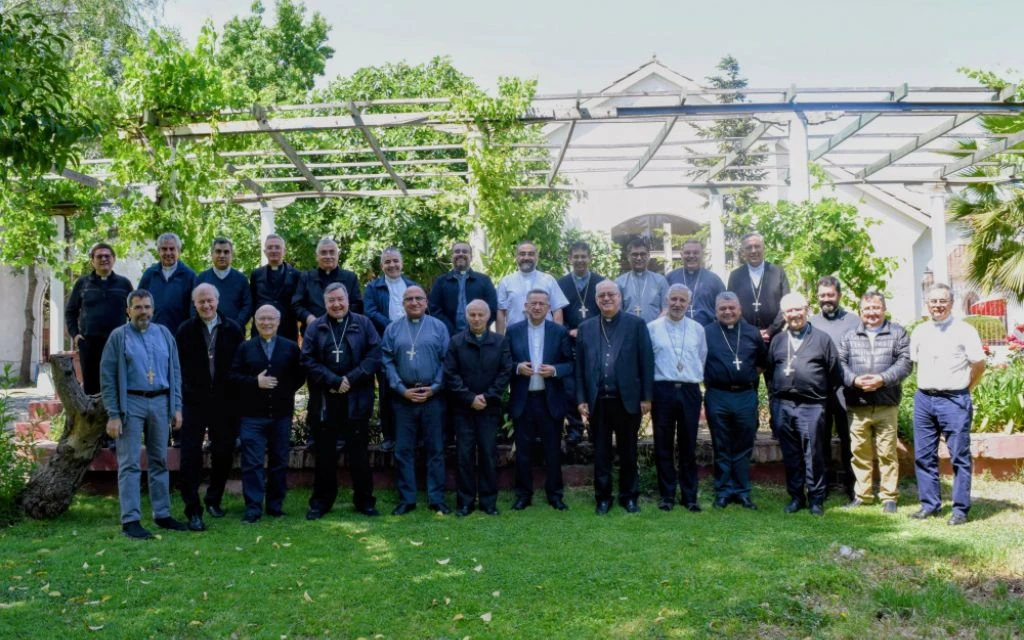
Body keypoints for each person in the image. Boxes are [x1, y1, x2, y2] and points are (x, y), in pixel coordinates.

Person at [99, 289, 187, 539]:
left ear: (153, 308)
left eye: (147, 307)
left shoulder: (164, 334)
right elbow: (108, 378)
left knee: (159, 459)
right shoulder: (119, 337)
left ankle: (162, 514)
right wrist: (113, 414)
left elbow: (175, 372)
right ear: (128, 311)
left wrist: (176, 406)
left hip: (160, 402)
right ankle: (131, 520)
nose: (143, 312)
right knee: (130, 463)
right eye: (137, 307)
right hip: (131, 403)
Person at [301, 283, 382, 520]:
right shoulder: (316, 327)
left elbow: (375, 355)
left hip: (357, 398)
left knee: (359, 454)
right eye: (331, 301)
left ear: (347, 300)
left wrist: (351, 378)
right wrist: (334, 380)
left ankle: (364, 501)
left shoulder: (364, 323)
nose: (336, 304)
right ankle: (321, 502)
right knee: (324, 454)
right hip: (327, 400)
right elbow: (306, 360)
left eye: (340, 299)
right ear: (324, 303)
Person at [909, 283, 986, 526]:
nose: (938, 306)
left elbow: (979, 364)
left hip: (954, 399)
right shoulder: (920, 331)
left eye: (943, 301)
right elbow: (915, 363)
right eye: (933, 301)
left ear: (951, 304)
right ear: (927, 304)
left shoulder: (965, 330)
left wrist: (966, 388)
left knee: (959, 456)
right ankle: (930, 505)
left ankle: (960, 509)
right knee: (923, 455)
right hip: (924, 399)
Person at [575, 280, 654, 514]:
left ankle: (629, 497)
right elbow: (579, 367)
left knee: (628, 451)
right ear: (596, 300)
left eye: (611, 294)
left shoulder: (636, 325)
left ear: (620, 297)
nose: (606, 299)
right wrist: (581, 399)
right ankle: (603, 498)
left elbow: (646, 363)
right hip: (598, 401)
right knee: (601, 453)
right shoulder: (586, 327)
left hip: (627, 400)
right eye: (602, 296)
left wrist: (646, 397)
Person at [174, 283, 245, 530]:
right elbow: (177, 366)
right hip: (193, 400)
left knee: (223, 453)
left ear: (217, 301)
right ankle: (193, 509)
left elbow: (240, 365)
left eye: (210, 301)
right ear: (195, 304)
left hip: (224, 402)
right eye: (201, 302)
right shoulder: (185, 330)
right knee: (190, 455)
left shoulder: (233, 329)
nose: (206, 305)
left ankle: (214, 499)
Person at [768, 292, 842, 516]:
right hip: (784, 405)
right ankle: (796, 497)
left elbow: (834, 374)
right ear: (784, 315)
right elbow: (771, 373)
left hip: (812, 406)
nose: (794, 314)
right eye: (789, 311)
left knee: (814, 454)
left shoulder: (822, 339)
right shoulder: (778, 340)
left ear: (807, 310)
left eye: (798, 309)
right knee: (791, 454)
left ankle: (816, 498)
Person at [838, 291, 912, 513]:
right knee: (859, 452)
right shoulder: (849, 335)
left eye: (876, 308)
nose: (872, 312)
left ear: (884, 309)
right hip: (857, 404)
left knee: (887, 452)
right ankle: (863, 495)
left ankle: (889, 497)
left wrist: (882, 379)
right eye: (867, 308)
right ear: (861, 312)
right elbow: (840, 363)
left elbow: (905, 363)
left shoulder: (898, 333)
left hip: (886, 403)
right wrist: (854, 380)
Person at [231, 305, 304, 523]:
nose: (266, 322)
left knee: (279, 460)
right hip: (252, 415)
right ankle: (253, 508)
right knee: (252, 463)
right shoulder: (245, 348)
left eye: (271, 318)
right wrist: (255, 382)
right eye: (261, 319)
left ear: (278, 322)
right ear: (255, 322)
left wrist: (284, 390)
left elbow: (300, 375)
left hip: (281, 414)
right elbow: (233, 376)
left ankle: (274, 506)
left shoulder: (290, 348)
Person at [381, 286, 451, 515]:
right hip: (404, 398)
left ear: (426, 301)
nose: (414, 302)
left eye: (418, 298)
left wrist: (435, 387)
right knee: (403, 450)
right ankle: (407, 498)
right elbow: (387, 361)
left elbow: (446, 361)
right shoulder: (393, 329)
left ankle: (436, 497)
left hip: (433, 397)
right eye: (409, 299)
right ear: (403, 303)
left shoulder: (438, 327)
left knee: (435, 449)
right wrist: (401, 389)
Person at [444, 299, 514, 516]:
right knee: (464, 456)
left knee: (487, 455)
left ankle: (488, 501)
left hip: (489, 408)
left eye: (480, 315)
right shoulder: (456, 342)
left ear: (488, 317)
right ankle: (465, 502)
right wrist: (469, 398)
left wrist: (487, 396)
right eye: (472, 315)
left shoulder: (499, 342)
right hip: (463, 409)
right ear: (467, 317)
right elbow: (450, 374)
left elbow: (505, 372)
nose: (476, 319)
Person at [507, 290, 574, 511]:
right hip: (523, 399)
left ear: (548, 308)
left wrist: (554, 370)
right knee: (523, 451)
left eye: (542, 304)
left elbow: (570, 364)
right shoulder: (512, 331)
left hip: (549, 399)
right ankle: (523, 495)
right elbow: (504, 362)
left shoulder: (559, 332)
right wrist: (517, 368)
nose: (537, 307)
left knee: (552, 450)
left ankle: (555, 495)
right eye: (533, 303)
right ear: (525, 306)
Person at [703, 292, 768, 509]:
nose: (727, 312)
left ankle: (742, 491)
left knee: (743, 445)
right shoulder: (707, 333)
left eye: (731, 308)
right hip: (717, 395)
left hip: (745, 395)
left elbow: (761, 363)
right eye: (722, 308)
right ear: (716, 311)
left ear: (739, 309)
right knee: (721, 445)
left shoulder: (751, 333)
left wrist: (743, 378)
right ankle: (722, 491)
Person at [647, 284, 707, 512]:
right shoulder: (652, 328)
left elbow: (702, 356)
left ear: (688, 304)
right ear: (666, 300)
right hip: (662, 389)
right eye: (674, 299)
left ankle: (690, 496)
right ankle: (667, 496)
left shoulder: (697, 329)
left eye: (682, 300)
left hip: (690, 390)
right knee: (663, 444)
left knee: (688, 445)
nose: (677, 304)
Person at [808, 276, 862, 500]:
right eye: (822, 296)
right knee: (820, 440)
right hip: (819, 390)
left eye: (830, 295)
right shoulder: (811, 322)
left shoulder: (854, 320)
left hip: (846, 391)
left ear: (838, 295)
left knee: (849, 439)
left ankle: (852, 485)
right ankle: (825, 484)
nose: (826, 299)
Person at [364, 248, 418, 452]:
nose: (392, 265)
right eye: (387, 262)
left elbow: (421, 309)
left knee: (411, 386)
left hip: (411, 344)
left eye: (396, 261)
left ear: (402, 264)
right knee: (387, 390)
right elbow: (369, 311)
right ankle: (389, 437)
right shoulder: (373, 288)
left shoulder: (412, 286)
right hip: (384, 345)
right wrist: (394, 327)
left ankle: (413, 436)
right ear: (382, 266)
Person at [65, 242, 134, 394]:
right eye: (99, 256)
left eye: (107, 256)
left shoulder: (124, 284)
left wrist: (131, 336)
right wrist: (75, 335)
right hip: (89, 345)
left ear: (114, 259)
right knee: (91, 388)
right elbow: (70, 311)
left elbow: (133, 311)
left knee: (117, 386)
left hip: (117, 343)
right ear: (92, 261)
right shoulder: (83, 284)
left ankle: (116, 418)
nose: (104, 259)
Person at [556, 241, 605, 445]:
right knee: (569, 387)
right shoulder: (561, 284)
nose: (580, 260)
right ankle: (575, 428)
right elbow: (557, 312)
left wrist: (587, 331)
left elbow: (606, 310)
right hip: (569, 341)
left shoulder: (600, 283)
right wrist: (569, 331)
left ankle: (595, 427)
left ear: (590, 258)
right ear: (570, 259)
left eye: (583, 256)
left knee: (594, 384)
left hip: (595, 341)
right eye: (575, 256)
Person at [292, 237, 363, 336]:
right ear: (317, 256)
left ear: (337, 255)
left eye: (332, 252)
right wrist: (309, 318)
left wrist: (341, 317)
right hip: (314, 333)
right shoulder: (306, 277)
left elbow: (357, 305)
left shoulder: (350, 278)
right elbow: (296, 305)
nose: (328, 256)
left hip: (344, 332)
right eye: (323, 253)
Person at [727, 232, 789, 342]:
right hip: (745, 337)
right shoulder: (735, 276)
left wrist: (771, 330)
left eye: (757, 246)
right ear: (743, 251)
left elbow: (786, 304)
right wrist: (751, 331)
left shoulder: (777, 272)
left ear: (763, 248)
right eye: (749, 247)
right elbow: (731, 306)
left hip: (775, 337)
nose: (753, 251)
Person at [496, 241, 569, 334]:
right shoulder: (506, 281)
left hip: (545, 334)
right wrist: (500, 340)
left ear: (537, 257)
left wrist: (557, 337)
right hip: (515, 337)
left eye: (530, 254)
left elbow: (557, 310)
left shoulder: (548, 280)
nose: (526, 257)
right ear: (516, 257)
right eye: (522, 254)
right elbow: (501, 312)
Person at [428, 241, 498, 336]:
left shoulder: (484, 281)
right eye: (457, 251)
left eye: (465, 251)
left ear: (471, 257)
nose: (461, 254)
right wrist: (450, 330)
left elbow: (492, 308)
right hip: (448, 336)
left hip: (479, 336)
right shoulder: (441, 282)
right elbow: (433, 309)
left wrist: (478, 328)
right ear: (451, 256)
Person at [138, 232, 198, 334]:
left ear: (178, 251)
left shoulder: (189, 276)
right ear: (158, 251)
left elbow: (194, 308)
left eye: (172, 249)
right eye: (164, 249)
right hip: (152, 334)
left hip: (179, 335)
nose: (168, 253)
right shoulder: (150, 275)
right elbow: (138, 303)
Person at [249, 234, 301, 342]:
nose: (273, 250)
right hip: (261, 329)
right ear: (265, 252)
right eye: (270, 247)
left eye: (277, 247)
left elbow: (299, 302)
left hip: (287, 331)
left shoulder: (296, 275)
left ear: (284, 251)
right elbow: (252, 302)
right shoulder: (256, 274)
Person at [196, 237, 253, 329]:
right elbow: (194, 305)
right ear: (212, 254)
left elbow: (247, 306)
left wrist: (236, 326)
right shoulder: (202, 278)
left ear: (232, 255)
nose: (222, 255)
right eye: (218, 251)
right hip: (207, 332)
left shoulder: (241, 279)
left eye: (226, 252)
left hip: (235, 333)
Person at [666, 239, 725, 326]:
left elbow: (724, 305)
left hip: (707, 330)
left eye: (696, 253)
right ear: (681, 255)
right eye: (687, 253)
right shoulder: (671, 278)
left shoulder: (714, 280)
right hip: (676, 328)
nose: (691, 256)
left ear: (702, 255)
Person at [615, 238, 669, 323]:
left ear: (648, 256)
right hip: (629, 331)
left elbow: (666, 309)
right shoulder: (619, 283)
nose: (639, 258)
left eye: (643, 254)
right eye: (635, 254)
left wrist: (654, 327)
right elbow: (617, 311)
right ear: (628, 257)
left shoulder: (660, 280)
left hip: (654, 331)